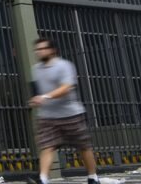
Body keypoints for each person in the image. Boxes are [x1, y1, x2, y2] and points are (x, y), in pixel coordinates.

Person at [30, 38, 99, 184]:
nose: (39, 52)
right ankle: (43, 179)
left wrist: (45, 97)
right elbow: (37, 90)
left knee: (83, 146)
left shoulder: (64, 66)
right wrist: (36, 99)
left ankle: (93, 177)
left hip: (70, 114)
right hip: (47, 116)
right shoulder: (35, 69)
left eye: (42, 48)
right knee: (47, 146)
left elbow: (66, 88)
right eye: (37, 49)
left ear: (52, 50)